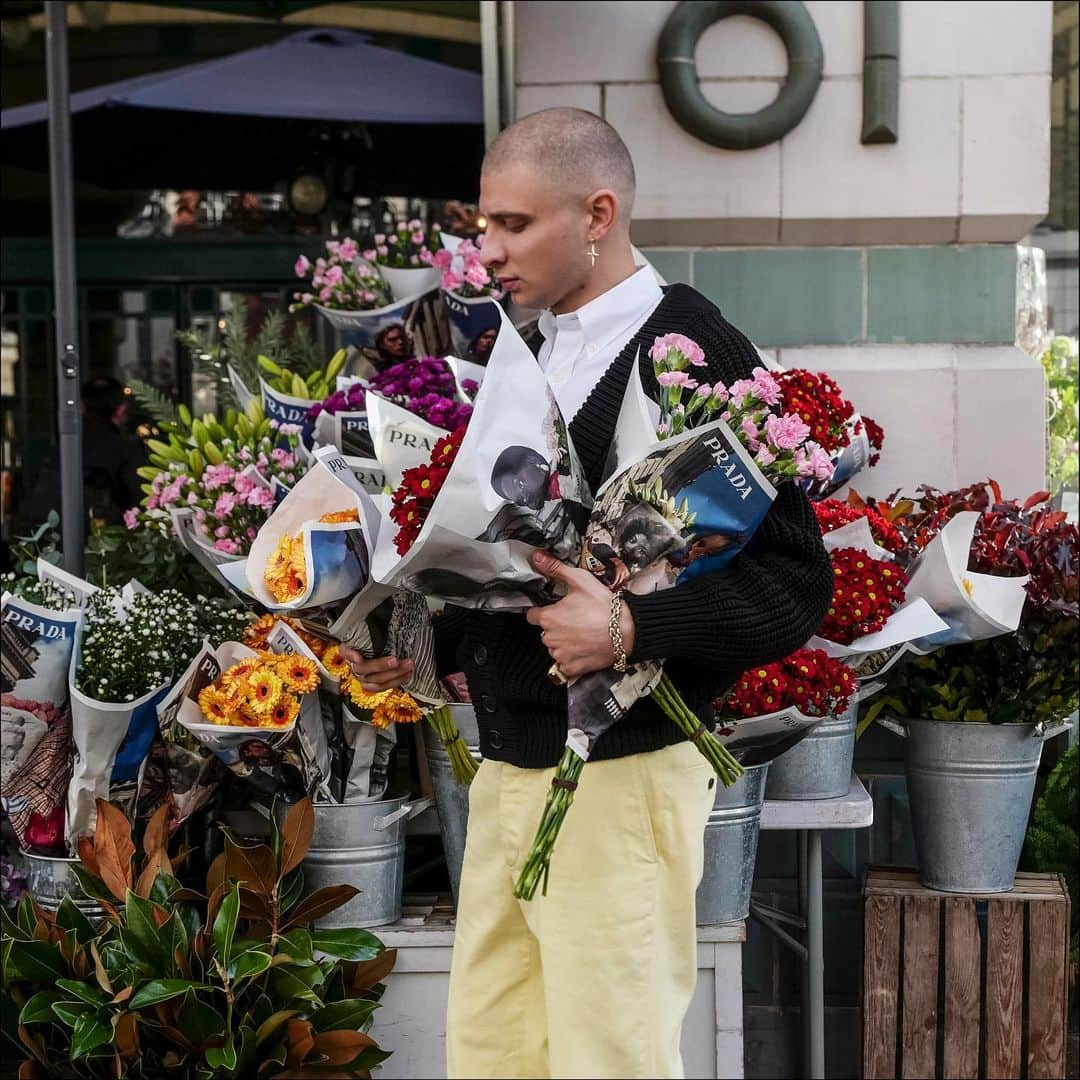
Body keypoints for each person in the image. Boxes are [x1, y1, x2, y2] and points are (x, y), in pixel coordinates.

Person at [341, 107, 833, 1079]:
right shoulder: (517, 352)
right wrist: (418, 633)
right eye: (482, 225)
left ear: (597, 212)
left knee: (608, 1062)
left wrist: (632, 624)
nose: (486, 252)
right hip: (510, 768)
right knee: (493, 1055)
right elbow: (521, 564)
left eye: (512, 226)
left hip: (624, 776)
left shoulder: (688, 347)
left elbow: (795, 582)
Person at [81, 375, 146, 526]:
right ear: (121, 409)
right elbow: (141, 500)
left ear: (81, 406)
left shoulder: (64, 449)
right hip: (112, 538)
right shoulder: (126, 450)